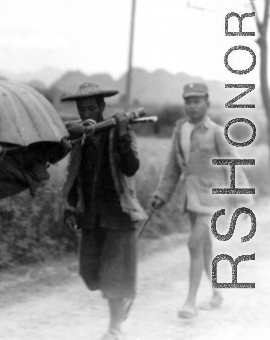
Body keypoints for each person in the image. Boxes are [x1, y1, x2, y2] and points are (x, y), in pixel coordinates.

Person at [150, 83, 251, 319]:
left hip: (215, 198)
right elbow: (172, 167)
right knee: (204, 248)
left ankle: (190, 302)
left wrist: (243, 198)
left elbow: (232, 161)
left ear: (207, 103)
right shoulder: (180, 130)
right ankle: (216, 293)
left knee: (194, 244)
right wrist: (161, 195)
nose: (192, 106)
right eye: (188, 101)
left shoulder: (216, 131)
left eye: (197, 101)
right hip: (192, 197)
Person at [61, 82, 147, 340]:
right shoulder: (81, 139)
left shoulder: (120, 131)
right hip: (92, 214)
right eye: (82, 108)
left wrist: (121, 132)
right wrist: (70, 208)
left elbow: (131, 167)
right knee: (90, 272)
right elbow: (74, 175)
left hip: (119, 213)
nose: (87, 112)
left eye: (91, 107)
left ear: (101, 107)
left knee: (113, 276)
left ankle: (114, 327)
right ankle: (121, 298)